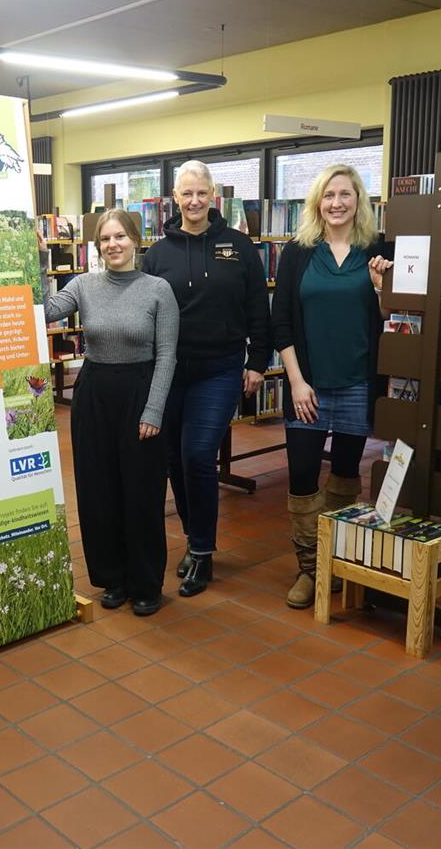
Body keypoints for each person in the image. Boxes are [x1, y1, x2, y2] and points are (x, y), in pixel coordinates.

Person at [142, 160, 272, 597]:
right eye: (186, 194)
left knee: (199, 454)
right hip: (170, 369)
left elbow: (258, 306)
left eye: (201, 193)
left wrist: (257, 361)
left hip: (219, 368)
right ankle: (195, 541)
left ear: (213, 196)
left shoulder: (238, 245)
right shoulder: (158, 254)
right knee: (174, 460)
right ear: (174, 199)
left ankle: (202, 551)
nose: (194, 201)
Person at [44, 209, 179, 615]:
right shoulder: (83, 285)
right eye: (105, 239)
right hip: (94, 394)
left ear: (136, 240)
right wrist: (24, 264)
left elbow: (168, 355)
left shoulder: (158, 290)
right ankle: (113, 577)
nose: (113, 245)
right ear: (97, 246)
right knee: (98, 490)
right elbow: (46, 311)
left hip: (140, 392)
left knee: (140, 492)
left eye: (120, 237)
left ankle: (145, 583)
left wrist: (154, 410)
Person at [272, 164, 392, 609]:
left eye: (345, 194)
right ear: (317, 203)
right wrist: (297, 382)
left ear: (358, 200)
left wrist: (383, 290)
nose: (337, 203)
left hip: (358, 382)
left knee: (345, 475)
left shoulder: (376, 252)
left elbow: (391, 323)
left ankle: (338, 560)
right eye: (328, 195)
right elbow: (280, 321)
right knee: (302, 477)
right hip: (308, 386)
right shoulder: (298, 253)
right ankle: (310, 567)